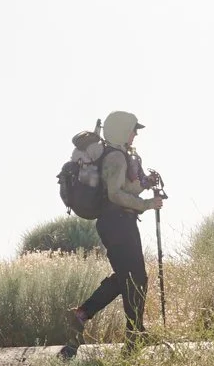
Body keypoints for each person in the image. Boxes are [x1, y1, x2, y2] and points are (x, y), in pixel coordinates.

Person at [66, 111, 162, 346]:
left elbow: (122, 190)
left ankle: (82, 314)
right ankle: (135, 334)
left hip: (117, 223)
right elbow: (115, 194)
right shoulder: (116, 157)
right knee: (136, 278)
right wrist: (148, 204)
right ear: (121, 129)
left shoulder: (116, 155)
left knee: (126, 277)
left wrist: (145, 184)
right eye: (133, 129)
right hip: (118, 223)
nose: (135, 134)